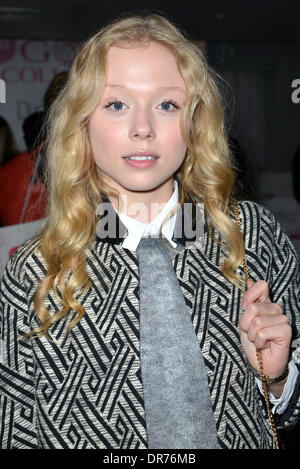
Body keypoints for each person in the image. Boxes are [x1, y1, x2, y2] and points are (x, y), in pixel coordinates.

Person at [0, 12, 299, 450]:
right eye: (117, 104)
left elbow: (289, 411)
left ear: (194, 122)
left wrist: (278, 379)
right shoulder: (33, 274)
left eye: (167, 104)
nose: (143, 129)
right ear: (82, 121)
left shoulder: (252, 237)